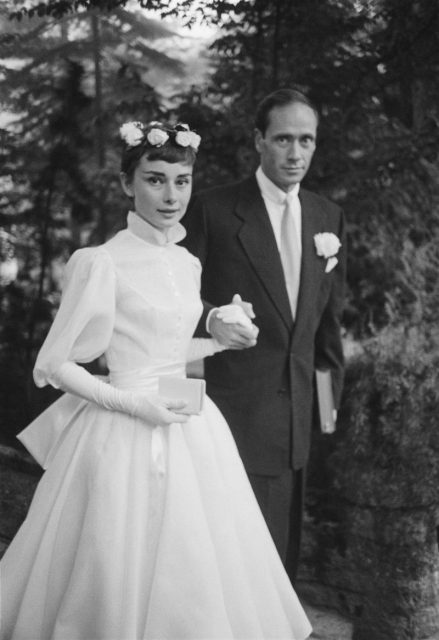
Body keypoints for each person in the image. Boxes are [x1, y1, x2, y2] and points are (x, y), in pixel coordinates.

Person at [0, 120, 312, 640]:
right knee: (117, 556)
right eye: (155, 179)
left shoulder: (186, 262)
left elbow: (165, 353)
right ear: (128, 184)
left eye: (182, 180)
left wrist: (218, 340)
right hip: (122, 430)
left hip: (189, 420)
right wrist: (129, 405)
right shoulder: (100, 262)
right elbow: (56, 365)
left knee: (196, 557)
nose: (171, 195)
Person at [181, 88, 346, 584]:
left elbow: (327, 328)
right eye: (283, 139)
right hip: (230, 415)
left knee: (281, 568)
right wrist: (216, 318)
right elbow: (176, 303)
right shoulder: (212, 210)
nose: (295, 153)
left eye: (306, 140)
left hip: (297, 421)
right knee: (232, 567)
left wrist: (326, 408)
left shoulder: (327, 218)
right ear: (259, 140)